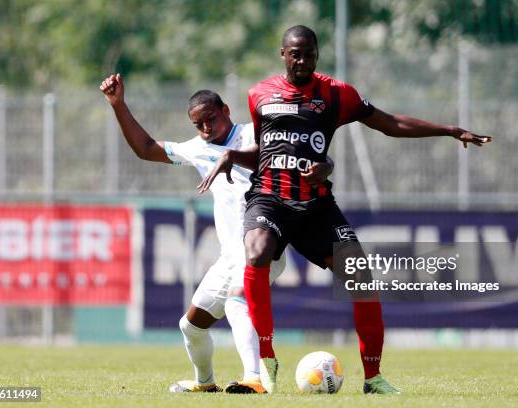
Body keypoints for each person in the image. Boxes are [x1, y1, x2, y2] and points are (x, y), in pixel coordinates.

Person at [198, 25, 493, 395]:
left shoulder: (338, 94)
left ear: (317, 53)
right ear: (283, 54)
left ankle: (373, 378)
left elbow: (391, 123)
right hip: (270, 198)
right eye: (295, 53)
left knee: (362, 281)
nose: (302, 60)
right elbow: (267, 151)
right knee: (255, 252)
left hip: (316, 207)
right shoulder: (260, 95)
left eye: (309, 53)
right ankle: (267, 363)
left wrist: (450, 130)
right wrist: (232, 157)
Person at [99, 73, 334, 394]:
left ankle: (255, 377)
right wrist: (118, 105)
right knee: (191, 327)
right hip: (230, 255)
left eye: (210, 119)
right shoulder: (197, 149)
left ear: (225, 110)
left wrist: (325, 164)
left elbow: (307, 153)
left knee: (239, 298)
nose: (206, 128)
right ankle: (205, 383)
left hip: (266, 241)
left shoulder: (255, 133)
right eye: (198, 124)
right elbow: (145, 148)